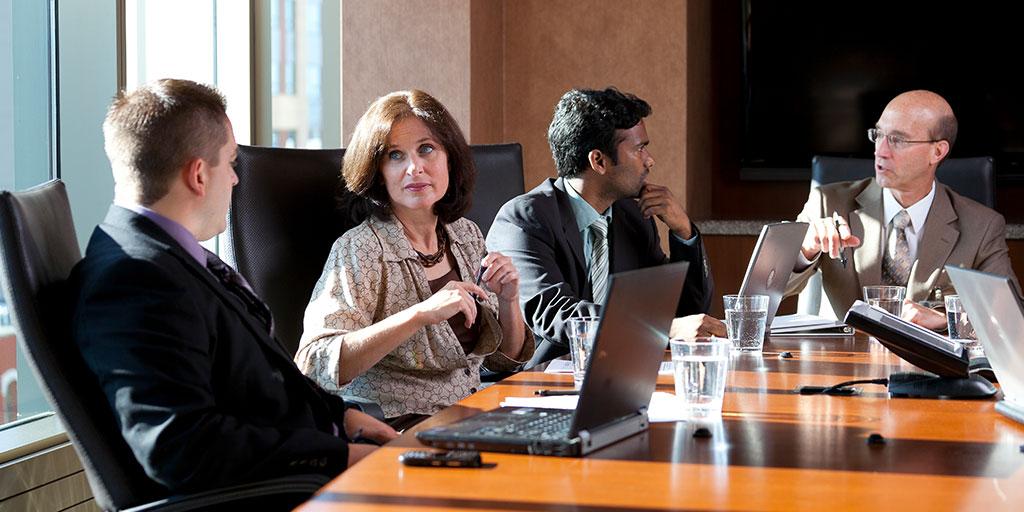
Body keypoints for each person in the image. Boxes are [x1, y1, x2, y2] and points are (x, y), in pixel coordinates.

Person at [68, 79, 397, 496]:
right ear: (199, 175)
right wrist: (340, 457)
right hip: (285, 491)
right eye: (231, 163)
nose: (237, 181)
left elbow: (253, 377)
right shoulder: (135, 280)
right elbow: (181, 447)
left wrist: (343, 416)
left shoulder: (167, 255)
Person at [296, 90, 534, 427]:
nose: (414, 168)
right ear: (378, 173)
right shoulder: (360, 249)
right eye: (395, 156)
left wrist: (509, 300)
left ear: (449, 158)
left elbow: (504, 361)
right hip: (398, 429)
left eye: (426, 149)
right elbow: (315, 362)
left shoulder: (465, 234)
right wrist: (421, 313)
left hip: (472, 417)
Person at [486, 87, 721, 367]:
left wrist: (684, 233)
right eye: (639, 148)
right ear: (598, 161)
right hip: (547, 378)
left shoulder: (632, 216)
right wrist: (660, 331)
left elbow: (686, 312)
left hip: (623, 370)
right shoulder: (523, 219)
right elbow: (557, 315)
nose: (649, 160)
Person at [787, 90, 1020, 328]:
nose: (880, 150)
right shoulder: (827, 203)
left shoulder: (982, 226)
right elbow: (764, 291)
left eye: (897, 140)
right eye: (878, 135)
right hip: (841, 359)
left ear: (937, 151)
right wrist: (806, 249)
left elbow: (1010, 317)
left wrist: (945, 319)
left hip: (925, 364)